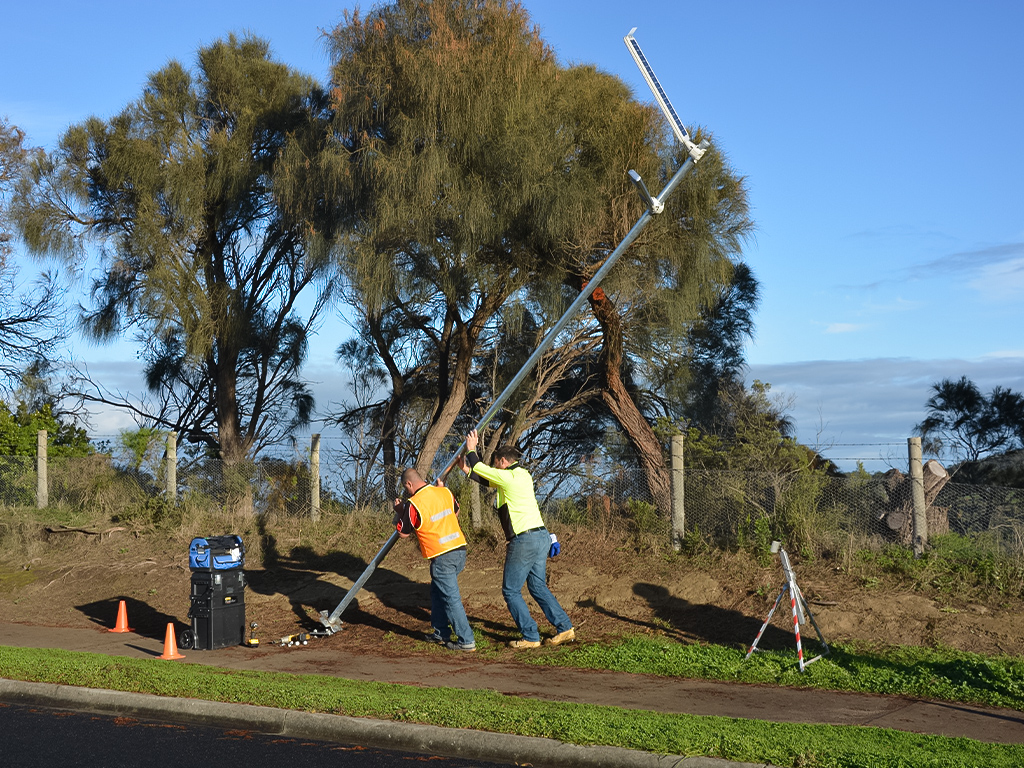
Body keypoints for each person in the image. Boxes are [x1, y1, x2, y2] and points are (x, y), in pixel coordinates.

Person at [458, 429, 574, 649]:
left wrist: (471, 450)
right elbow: (486, 479)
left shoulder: (509, 476)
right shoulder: (522, 476)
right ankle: (565, 627)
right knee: (537, 586)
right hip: (541, 537)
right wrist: (465, 468)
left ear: (503, 461)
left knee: (511, 590)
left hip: (524, 540)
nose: (494, 468)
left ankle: (530, 637)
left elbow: (482, 469)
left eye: (495, 464)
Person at [393, 467, 476, 651]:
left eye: (406, 488)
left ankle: (466, 640)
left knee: (451, 598)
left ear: (409, 484)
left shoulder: (413, 504)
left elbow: (403, 533)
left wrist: (400, 511)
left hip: (441, 556)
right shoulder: (443, 491)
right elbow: (455, 512)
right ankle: (440, 632)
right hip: (460, 550)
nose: (407, 491)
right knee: (438, 592)